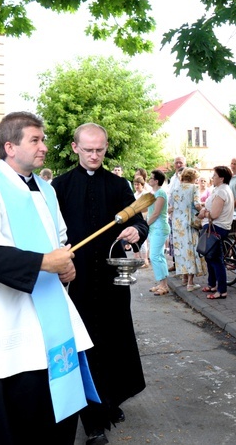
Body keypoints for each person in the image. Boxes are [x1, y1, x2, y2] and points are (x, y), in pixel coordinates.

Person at [0, 112, 94, 444]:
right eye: (35, 140)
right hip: (2, 323)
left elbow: (59, 242)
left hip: (48, 326)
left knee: (52, 419)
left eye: (43, 139)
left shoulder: (46, 190)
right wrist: (44, 262)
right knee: (10, 425)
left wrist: (65, 266)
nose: (44, 147)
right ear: (10, 147)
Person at [51, 123, 148, 445]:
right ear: (75, 147)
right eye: (88, 149)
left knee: (114, 343)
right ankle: (91, 420)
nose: (95, 155)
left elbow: (138, 220)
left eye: (100, 150)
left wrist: (137, 232)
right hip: (74, 282)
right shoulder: (60, 187)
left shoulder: (118, 185)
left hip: (112, 281)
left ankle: (109, 400)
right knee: (84, 348)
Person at [198, 165, 235, 299]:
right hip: (215, 227)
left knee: (215, 259)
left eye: (214, 175)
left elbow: (214, 214)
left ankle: (221, 290)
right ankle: (212, 284)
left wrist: (204, 213)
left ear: (221, 178)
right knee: (210, 257)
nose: (212, 177)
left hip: (216, 227)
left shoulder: (221, 192)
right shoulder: (220, 190)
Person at [171, 167, 207, 291]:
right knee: (191, 250)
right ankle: (190, 283)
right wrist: (203, 210)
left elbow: (172, 207)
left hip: (177, 223)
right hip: (189, 223)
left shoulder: (175, 189)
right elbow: (196, 204)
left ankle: (184, 277)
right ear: (192, 177)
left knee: (181, 250)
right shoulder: (194, 188)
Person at [146, 169, 171, 296]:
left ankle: (163, 285)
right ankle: (163, 283)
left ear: (156, 181)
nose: (149, 179)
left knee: (154, 256)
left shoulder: (161, 193)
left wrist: (146, 225)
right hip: (155, 228)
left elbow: (156, 213)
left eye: (151, 178)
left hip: (159, 228)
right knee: (159, 256)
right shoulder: (154, 192)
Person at [166, 155, 187, 272]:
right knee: (173, 240)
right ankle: (175, 262)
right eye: (176, 163)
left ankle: (182, 264)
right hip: (172, 212)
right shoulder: (173, 177)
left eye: (180, 163)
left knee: (181, 240)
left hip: (181, 213)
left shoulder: (185, 176)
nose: (178, 165)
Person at [132, 175, 151, 269]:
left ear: (142, 185)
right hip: (136, 218)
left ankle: (145, 260)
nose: (136, 186)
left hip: (145, 218)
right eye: (135, 184)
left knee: (144, 241)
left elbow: (147, 208)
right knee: (137, 240)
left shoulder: (145, 194)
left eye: (138, 184)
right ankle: (140, 259)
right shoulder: (134, 195)